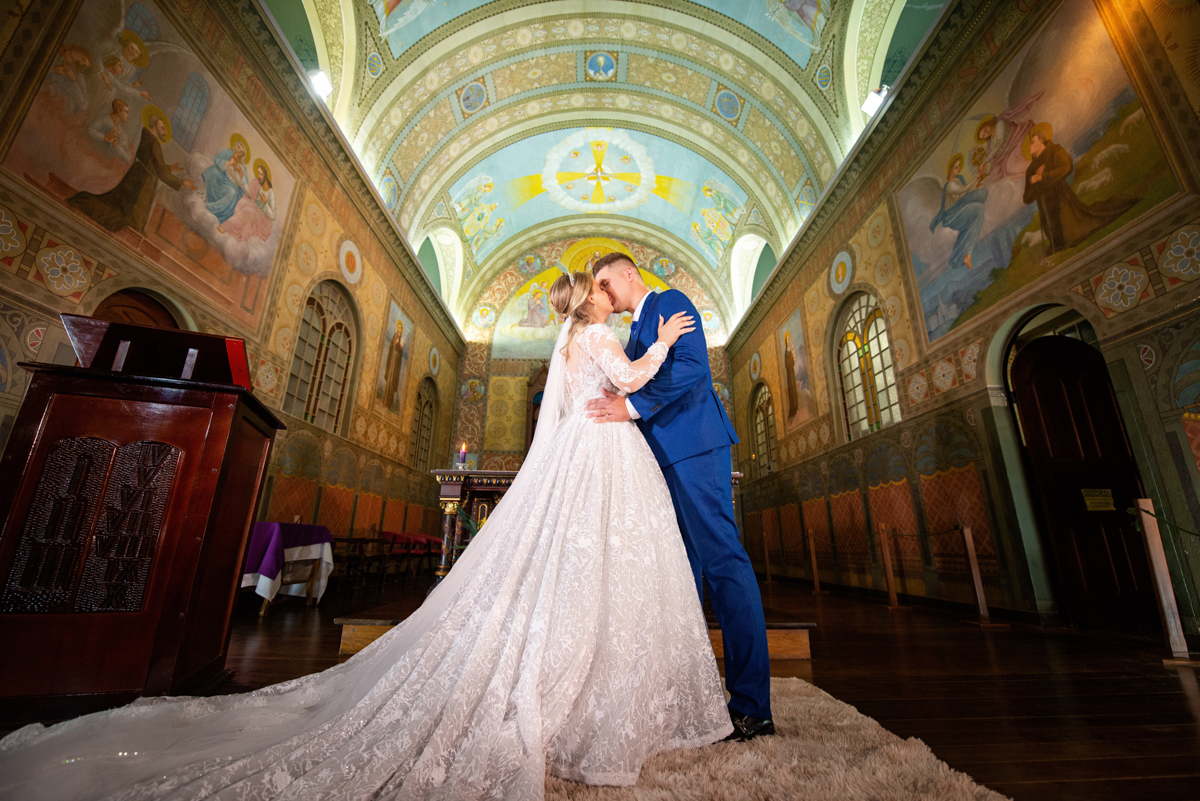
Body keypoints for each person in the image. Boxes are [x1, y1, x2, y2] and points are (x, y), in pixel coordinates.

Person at [0, 270, 733, 801]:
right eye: (605, 291)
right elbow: (629, 380)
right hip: (602, 452)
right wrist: (664, 343)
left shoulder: (566, 343)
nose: (612, 298)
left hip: (579, 456)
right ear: (596, 299)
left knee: (575, 564)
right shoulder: (600, 335)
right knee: (602, 564)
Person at [585, 252, 775, 742]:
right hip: (659, 460)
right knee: (680, 575)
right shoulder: (633, 331)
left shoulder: (670, 301)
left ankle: (753, 706)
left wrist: (630, 407)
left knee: (723, 563)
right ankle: (693, 702)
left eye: (605, 282)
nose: (603, 293)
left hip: (694, 446)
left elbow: (691, 368)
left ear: (629, 273)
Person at [68, 111, 197, 233]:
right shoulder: (153, 143)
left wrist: (169, 168)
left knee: (125, 208)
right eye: (162, 128)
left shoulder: (147, 138)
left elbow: (150, 163)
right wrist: (182, 182)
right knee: (130, 213)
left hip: (138, 175)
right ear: (155, 128)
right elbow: (159, 170)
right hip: (143, 182)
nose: (165, 132)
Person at [1022, 123, 1139, 256]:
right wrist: (1033, 181)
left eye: (1032, 142)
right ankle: (1056, 244)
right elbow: (1027, 198)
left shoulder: (1054, 151)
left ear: (1041, 140)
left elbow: (1066, 166)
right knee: (1057, 238)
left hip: (1061, 199)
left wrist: (1043, 177)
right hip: (1046, 208)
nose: (1029, 146)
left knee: (1073, 234)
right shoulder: (1030, 169)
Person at [930, 152, 988, 270]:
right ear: (950, 169)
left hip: (963, 207)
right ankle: (968, 254)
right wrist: (976, 177)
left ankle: (964, 254)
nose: (958, 169)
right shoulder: (949, 186)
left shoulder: (959, 179)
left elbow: (968, 192)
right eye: (956, 167)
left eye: (959, 166)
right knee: (979, 208)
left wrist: (979, 180)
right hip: (953, 215)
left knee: (983, 193)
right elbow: (963, 189)